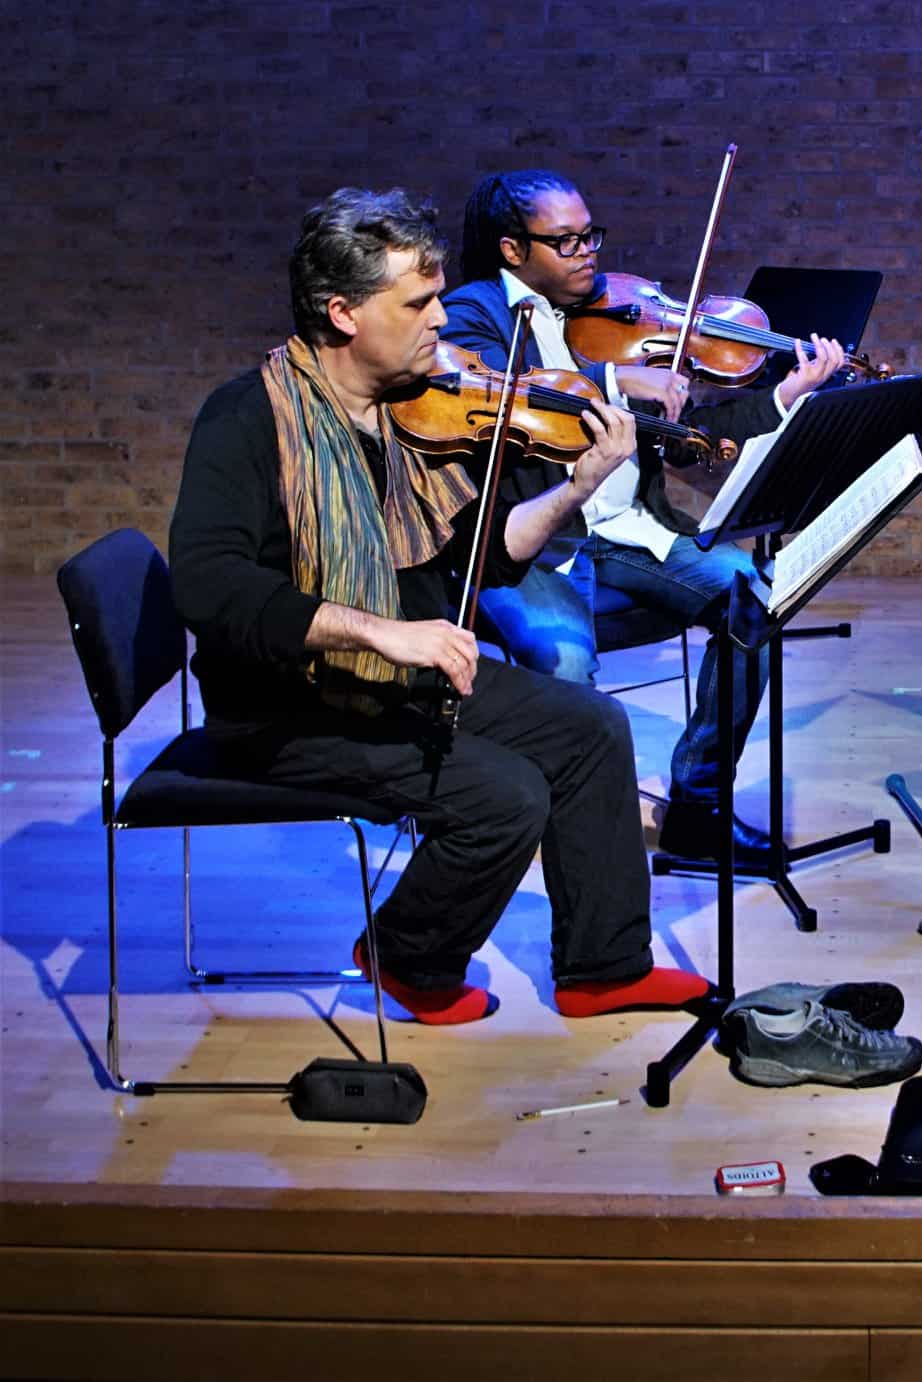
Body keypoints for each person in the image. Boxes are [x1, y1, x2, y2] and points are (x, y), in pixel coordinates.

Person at [168, 187, 712, 1026]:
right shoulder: (249, 419)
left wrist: (578, 487)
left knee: (590, 729)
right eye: (417, 303)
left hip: (391, 680)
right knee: (506, 793)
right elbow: (208, 585)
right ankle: (409, 958)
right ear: (344, 313)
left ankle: (603, 968)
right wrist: (382, 631)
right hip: (287, 705)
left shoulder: (405, 412)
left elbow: (479, 553)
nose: (440, 320)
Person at [441, 170, 848, 865]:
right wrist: (611, 381)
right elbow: (494, 391)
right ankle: (574, 836)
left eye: (590, 236)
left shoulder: (609, 317)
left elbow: (698, 435)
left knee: (758, 598)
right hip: (536, 546)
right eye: (565, 242)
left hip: (631, 533)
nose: (587, 255)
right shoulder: (472, 313)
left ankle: (697, 806)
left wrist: (784, 394)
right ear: (512, 249)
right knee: (566, 658)